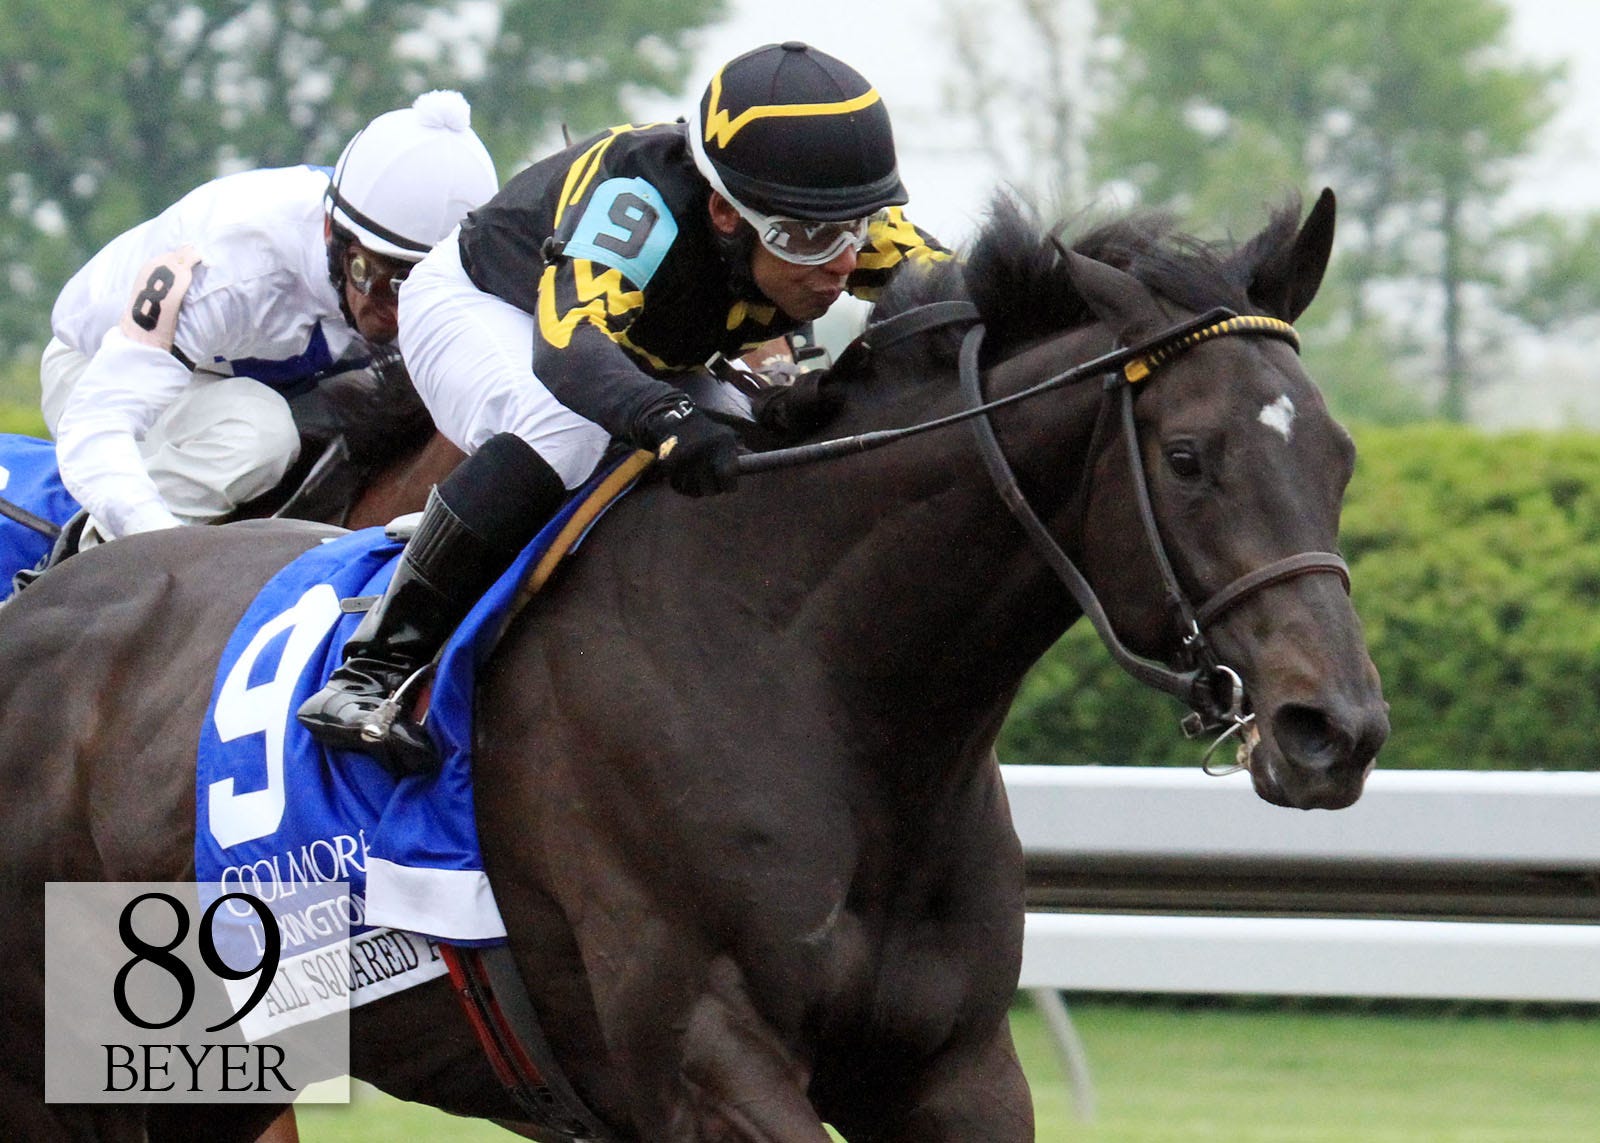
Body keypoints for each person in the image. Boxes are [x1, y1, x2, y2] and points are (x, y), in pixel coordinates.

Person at [297, 41, 951, 774]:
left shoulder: (829, 220)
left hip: (636, 344)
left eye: (858, 228)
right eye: (808, 238)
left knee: (763, 449)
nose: (844, 263)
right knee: (565, 430)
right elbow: (568, 348)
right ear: (724, 213)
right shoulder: (639, 204)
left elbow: (960, 289)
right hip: (487, 306)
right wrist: (669, 421)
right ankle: (372, 669)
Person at [42, 90, 499, 541]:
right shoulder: (229, 268)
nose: (396, 314)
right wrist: (152, 536)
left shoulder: (455, 276)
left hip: (273, 375)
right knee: (259, 433)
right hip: (99, 366)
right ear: (332, 232)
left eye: (417, 289)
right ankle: (92, 557)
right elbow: (97, 425)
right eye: (371, 275)